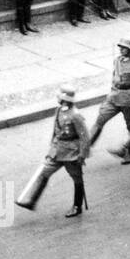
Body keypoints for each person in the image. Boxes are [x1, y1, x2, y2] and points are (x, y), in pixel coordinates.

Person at [16, 85, 90, 218]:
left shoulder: (75, 115)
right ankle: (32, 201)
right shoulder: (59, 111)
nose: (58, 98)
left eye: (60, 96)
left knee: (77, 179)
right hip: (57, 151)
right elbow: (55, 131)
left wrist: (82, 155)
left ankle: (77, 206)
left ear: (65, 99)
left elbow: (84, 137)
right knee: (44, 173)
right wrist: (51, 149)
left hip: (71, 154)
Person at [89, 38, 130, 147]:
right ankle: (85, 147)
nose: (121, 49)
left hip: (128, 100)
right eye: (121, 47)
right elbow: (114, 77)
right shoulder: (117, 60)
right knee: (100, 119)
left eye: (125, 48)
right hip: (114, 98)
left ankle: (129, 153)